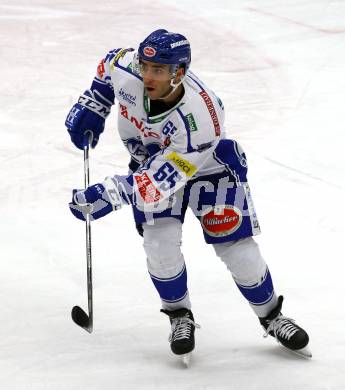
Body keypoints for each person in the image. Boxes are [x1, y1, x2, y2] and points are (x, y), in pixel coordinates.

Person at [65, 29, 311, 360]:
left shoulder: (202, 115)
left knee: (238, 250)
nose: (148, 75)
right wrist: (95, 102)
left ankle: (272, 315)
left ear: (178, 73)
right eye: (145, 66)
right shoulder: (126, 67)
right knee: (159, 246)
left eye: (158, 70)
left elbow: (160, 181)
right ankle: (179, 316)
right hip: (149, 164)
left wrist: (111, 193)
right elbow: (108, 65)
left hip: (206, 167)